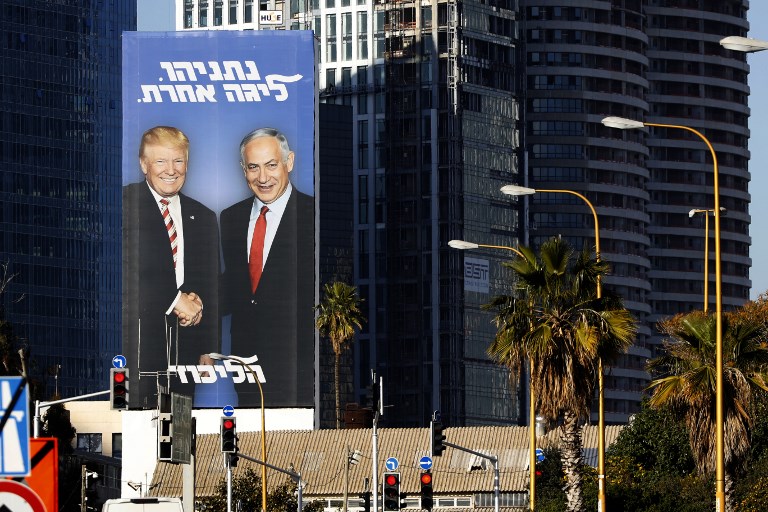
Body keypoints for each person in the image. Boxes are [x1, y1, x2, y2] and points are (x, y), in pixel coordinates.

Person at [122, 126, 219, 408]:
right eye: (161, 161)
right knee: (140, 424)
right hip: (138, 338)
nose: (171, 170)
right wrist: (177, 300)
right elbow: (131, 269)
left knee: (180, 432)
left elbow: (211, 282)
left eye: (178, 161)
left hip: (186, 346)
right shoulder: (125, 204)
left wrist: (208, 347)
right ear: (143, 164)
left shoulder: (203, 216)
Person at [220, 127, 314, 407]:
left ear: (290, 162)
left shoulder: (313, 215)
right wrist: (196, 300)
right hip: (246, 362)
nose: (263, 178)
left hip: (298, 363)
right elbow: (236, 286)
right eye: (253, 167)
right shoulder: (230, 218)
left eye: (271, 165)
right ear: (243, 169)